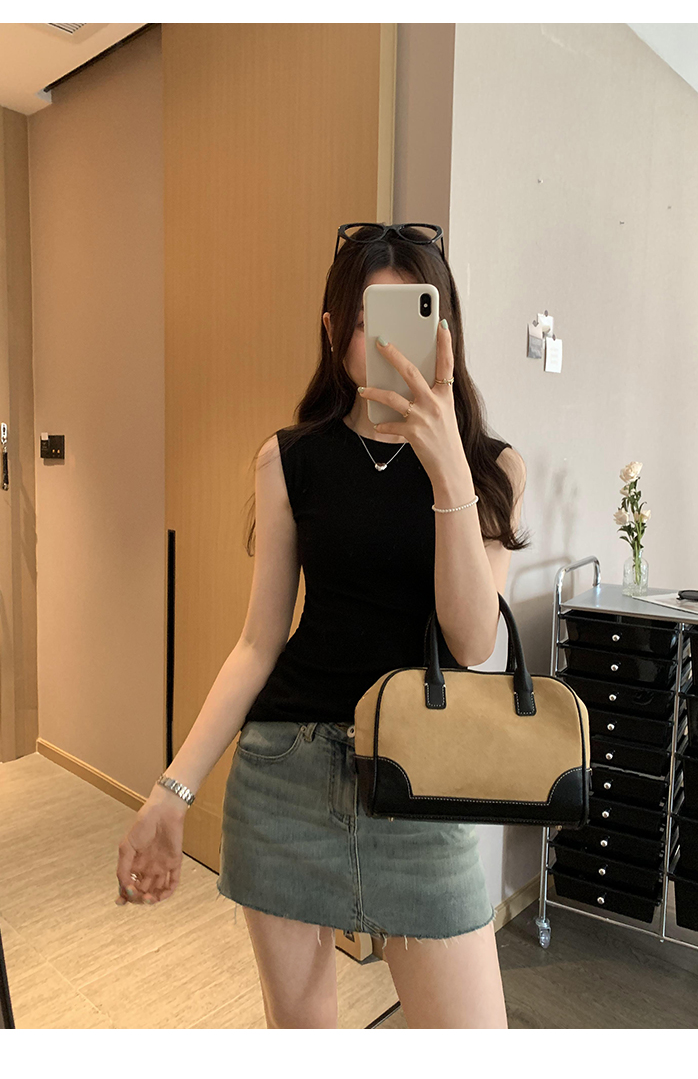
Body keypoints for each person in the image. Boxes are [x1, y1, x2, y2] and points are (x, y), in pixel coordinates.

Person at [115, 223, 530, 1028]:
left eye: (408, 319)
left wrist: (447, 469)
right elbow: (257, 644)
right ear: (334, 330)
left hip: (421, 783)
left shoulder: (490, 467)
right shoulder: (288, 458)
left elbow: (474, 642)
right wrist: (172, 792)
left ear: (445, 331)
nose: (387, 344)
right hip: (287, 775)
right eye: (367, 322)